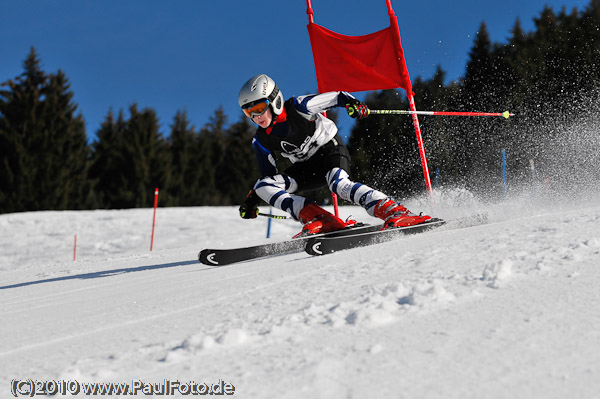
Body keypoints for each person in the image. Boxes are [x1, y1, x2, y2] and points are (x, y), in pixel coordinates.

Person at [237, 74, 430, 237]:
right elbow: (267, 177)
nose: (255, 117)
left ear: (274, 100)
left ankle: (395, 210)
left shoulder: (299, 106)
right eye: (248, 112)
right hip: (306, 168)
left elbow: (336, 97)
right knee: (264, 186)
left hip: (329, 150)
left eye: (258, 108)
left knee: (339, 185)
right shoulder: (261, 140)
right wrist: (252, 200)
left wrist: (352, 104)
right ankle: (320, 219)